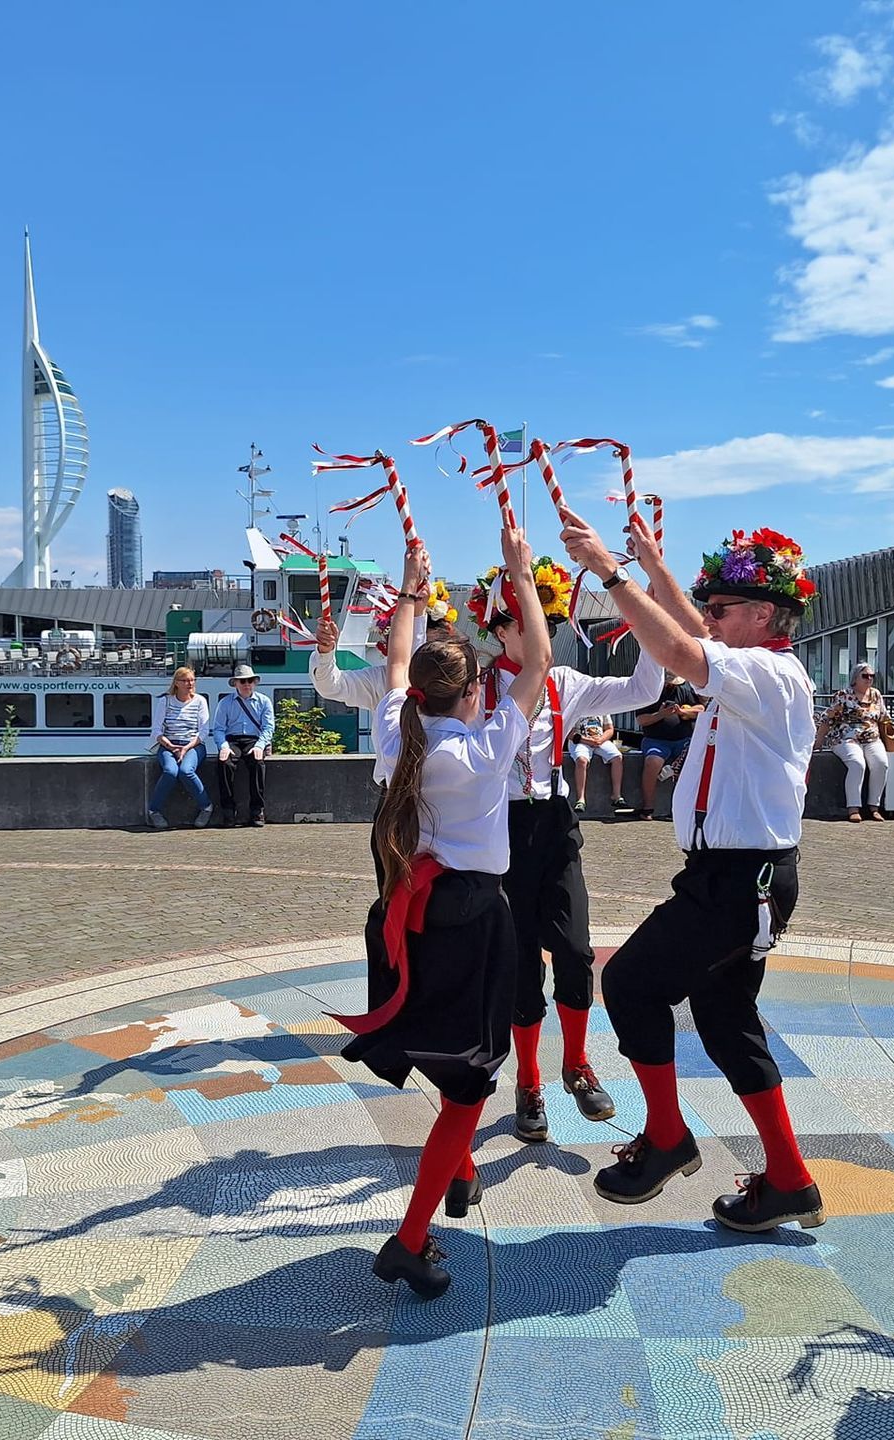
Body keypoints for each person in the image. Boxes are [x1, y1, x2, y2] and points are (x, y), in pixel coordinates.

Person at [559, 511, 823, 1233]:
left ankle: (668, 1137)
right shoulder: (754, 668)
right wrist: (654, 568)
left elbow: (678, 646)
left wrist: (611, 574)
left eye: (722, 607)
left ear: (763, 613)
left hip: (739, 882)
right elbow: (690, 632)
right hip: (736, 877)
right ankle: (789, 1180)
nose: (711, 617)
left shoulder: (768, 672)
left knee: (630, 984)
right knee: (727, 1023)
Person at [340, 528, 550, 1299]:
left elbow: (397, 660)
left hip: (406, 912)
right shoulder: (483, 750)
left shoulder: (396, 731)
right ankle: (409, 1238)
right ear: (471, 696)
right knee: (470, 1087)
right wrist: (521, 574)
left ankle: (459, 1172)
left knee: (446, 1054)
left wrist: (410, 588)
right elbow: (539, 662)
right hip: (470, 920)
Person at [469, 562, 666, 1144]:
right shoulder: (474, 688)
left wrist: (646, 618)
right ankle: (528, 1082)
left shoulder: (567, 682)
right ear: (500, 630)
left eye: (550, 625)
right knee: (520, 965)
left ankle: (576, 1064)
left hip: (555, 824)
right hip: (498, 830)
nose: (543, 635)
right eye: (528, 624)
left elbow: (644, 691)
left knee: (577, 950)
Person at [816, 662, 890, 822]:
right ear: (855, 678)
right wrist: (819, 739)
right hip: (845, 737)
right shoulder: (843, 695)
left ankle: (874, 807)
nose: (869, 679)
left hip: (871, 738)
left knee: (881, 764)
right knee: (857, 764)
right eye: (865, 676)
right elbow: (827, 718)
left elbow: (884, 718)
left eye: (871, 676)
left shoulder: (876, 695)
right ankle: (853, 807)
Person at [210, 663, 275, 826]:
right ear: (236, 684)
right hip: (232, 740)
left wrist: (260, 745)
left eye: (250, 681)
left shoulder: (264, 701)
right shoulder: (225, 703)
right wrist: (223, 746)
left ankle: (257, 810)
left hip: (254, 739)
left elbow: (268, 727)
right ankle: (228, 810)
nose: (247, 684)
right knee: (224, 763)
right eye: (243, 681)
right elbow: (219, 729)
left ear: (254, 682)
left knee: (258, 763)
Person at [147, 667, 212, 829]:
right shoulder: (165, 701)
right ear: (176, 683)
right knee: (170, 772)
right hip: (168, 744)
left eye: (192, 680)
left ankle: (206, 806)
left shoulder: (200, 701)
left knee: (186, 771)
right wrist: (170, 746)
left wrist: (186, 748)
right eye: (185, 681)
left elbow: (203, 731)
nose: (190, 684)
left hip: (193, 745)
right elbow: (156, 731)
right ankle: (154, 811)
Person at [636, 673, 700, 818]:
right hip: (655, 740)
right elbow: (641, 720)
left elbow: (700, 709)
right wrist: (661, 714)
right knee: (653, 762)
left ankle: (684, 808)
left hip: (682, 740)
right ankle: (648, 807)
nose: (671, 685)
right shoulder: (650, 693)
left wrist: (683, 711)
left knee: (691, 762)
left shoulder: (683, 690)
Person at [569, 713, 626, 815]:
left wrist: (601, 740)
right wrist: (587, 740)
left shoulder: (603, 707)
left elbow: (609, 729)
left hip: (600, 740)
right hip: (580, 741)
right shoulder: (576, 707)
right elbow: (569, 733)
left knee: (617, 757)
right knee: (581, 760)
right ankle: (580, 799)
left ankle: (616, 795)